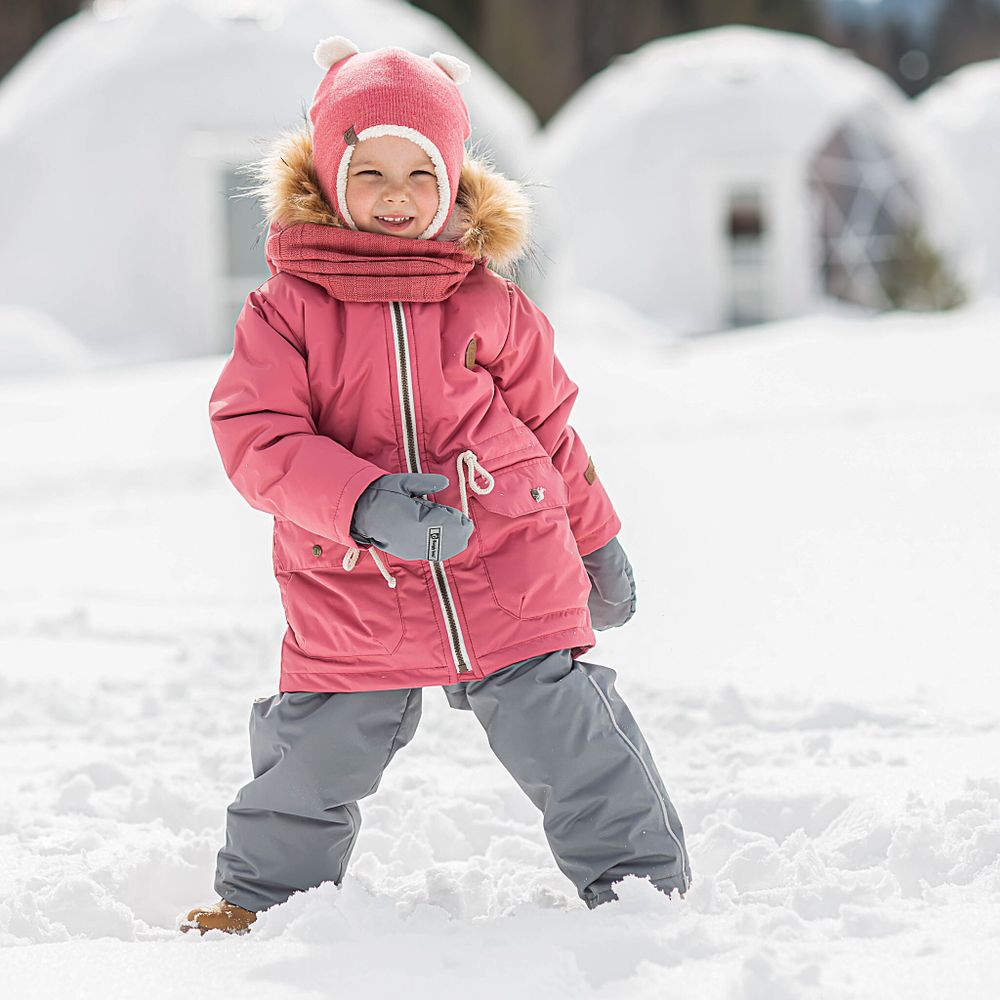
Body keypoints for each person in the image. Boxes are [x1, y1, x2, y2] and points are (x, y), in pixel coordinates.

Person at [180, 36, 690, 936]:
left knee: (567, 731)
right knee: (319, 752)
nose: (396, 196)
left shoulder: (490, 302)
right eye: (369, 171)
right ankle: (261, 904)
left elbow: (549, 431)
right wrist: (363, 503)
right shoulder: (288, 310)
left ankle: (641, 892)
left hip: (510, 562)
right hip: (353, 578)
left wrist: (593, 535)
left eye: (420, 174)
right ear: (329, 178)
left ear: (453, 182)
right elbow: (257, 437)